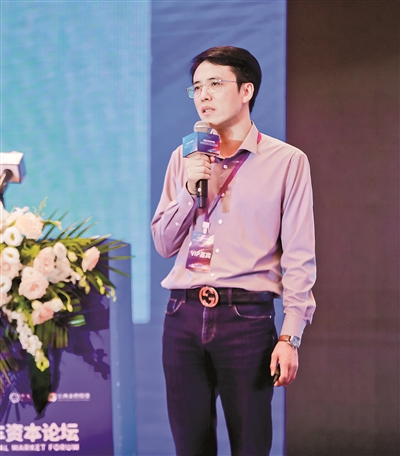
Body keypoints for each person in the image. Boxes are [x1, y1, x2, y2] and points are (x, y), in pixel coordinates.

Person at [151, 46, 316, 456]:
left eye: (214, 84)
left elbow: (299, 255)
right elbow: (164, 243)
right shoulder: (184, 157)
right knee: (190, 446)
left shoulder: (287, 161)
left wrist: (290, 336)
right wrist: (189, 189)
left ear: (246, 90)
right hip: (183, 314)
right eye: (196, 87)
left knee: (251, 445)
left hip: (246, 317)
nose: (203, 95)